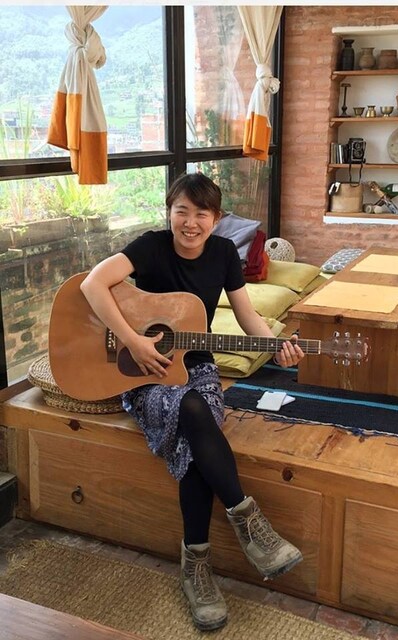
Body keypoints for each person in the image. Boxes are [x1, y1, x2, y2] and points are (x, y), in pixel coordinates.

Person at [80, 173, 305, 631]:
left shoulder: (223, 254)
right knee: (192, 412)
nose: (190, 222)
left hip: (197, 368)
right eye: (181, 210)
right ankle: (248, 523)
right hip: (141, 374)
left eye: (201, 213)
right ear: (169, 211)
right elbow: (91, 285)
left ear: (216, 219)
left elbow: (246, 314)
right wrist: (134, 341)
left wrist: (275, 346)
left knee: (193, 425)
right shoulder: (150, 247)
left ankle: (195, 568)